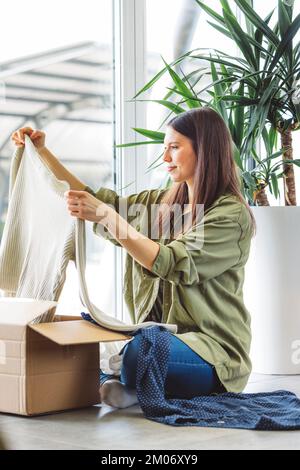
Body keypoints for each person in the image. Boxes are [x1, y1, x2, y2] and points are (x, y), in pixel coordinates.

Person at [11, 107, 256, 409]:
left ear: (205, 150)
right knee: (97, 347)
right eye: (164, 147)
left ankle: (130, 383)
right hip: (157, 338)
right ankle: (132, 383)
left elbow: (171, 262)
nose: (165, 157)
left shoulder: (230, 216)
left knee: (142, 351)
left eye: (174, 147)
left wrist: (109, 217)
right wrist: (42, 152)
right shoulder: (161, 205)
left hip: (214, 355)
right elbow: (98, 202)